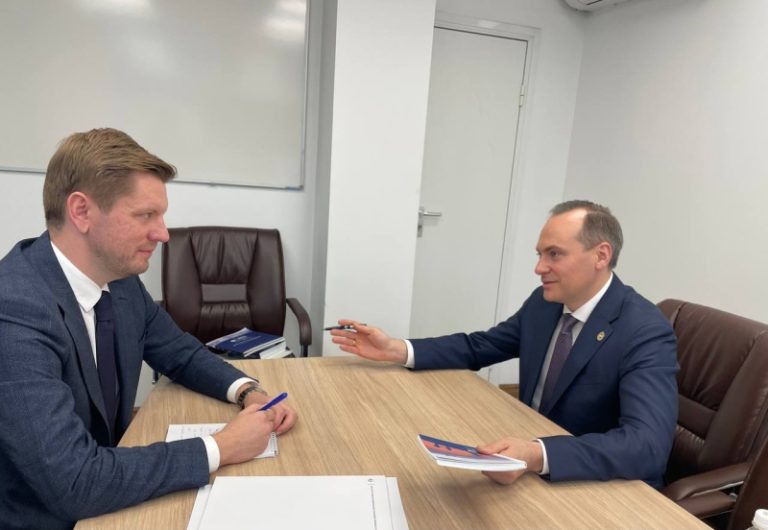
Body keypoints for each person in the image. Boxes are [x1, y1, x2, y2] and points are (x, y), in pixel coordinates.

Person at [0, 128, 297, 530]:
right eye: (145, 215)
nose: (163, 233)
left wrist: (247, 391)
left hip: (115, 492)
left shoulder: (119, 280)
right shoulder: (14, 309)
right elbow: (74, 481)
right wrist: (220, 447)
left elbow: (179, 352)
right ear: (82, 211)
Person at [331, 201, 678, 488]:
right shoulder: (544, 304)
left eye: (554, 254)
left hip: (593, 483)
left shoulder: (644, 330)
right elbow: (479, 347)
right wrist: (396, 349)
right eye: (539, 254)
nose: (539, 268)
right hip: (527, 459)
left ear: (601, 255)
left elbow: (647, 446)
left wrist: (536, 454)